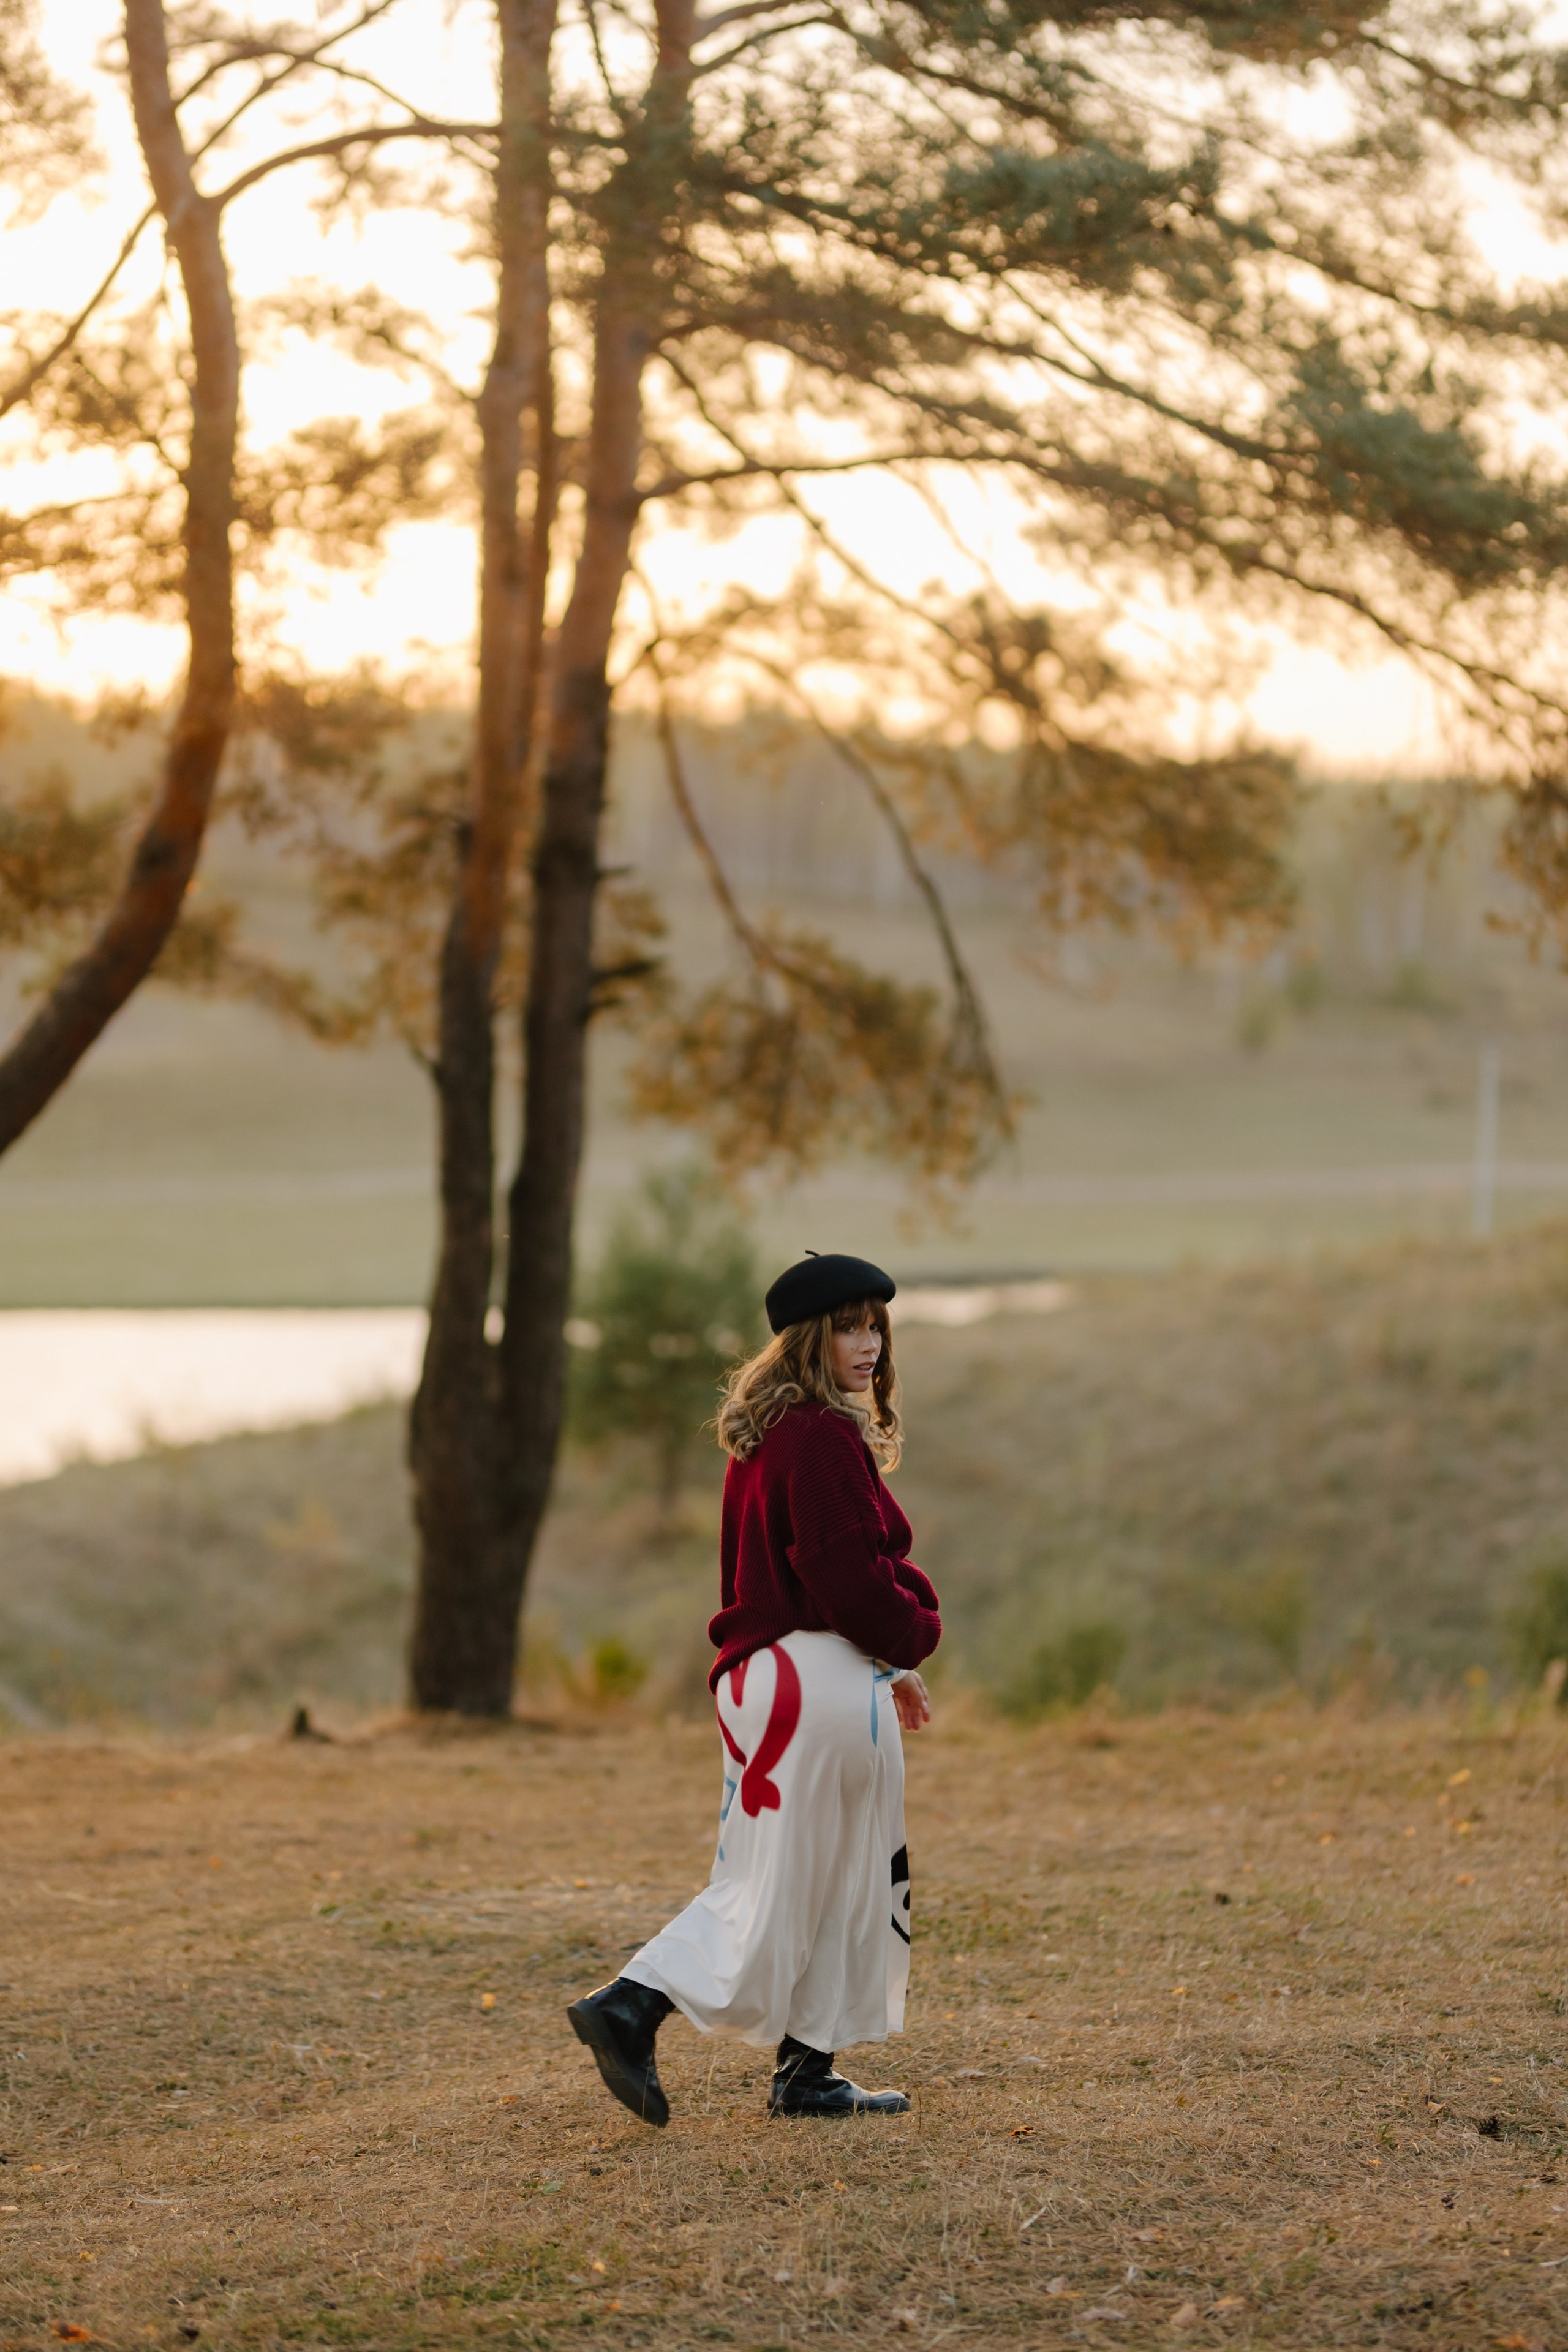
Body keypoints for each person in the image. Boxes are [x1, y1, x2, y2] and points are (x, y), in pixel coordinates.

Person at [567, 1250, 940, 2125]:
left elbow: (815, 1580)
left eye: (877, 1324)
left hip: (766, 1680)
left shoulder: (770, 1436)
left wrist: (889, 1662)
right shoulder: (822, 1439)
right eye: (849, 1325)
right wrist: (914, 1628)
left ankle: (805, 2073)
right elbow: (851, 1585)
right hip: (813, 1679)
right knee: (813, 1881)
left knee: (810, 1875)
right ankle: (634, 2003)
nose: (870, 1344)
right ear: (810, 1338)